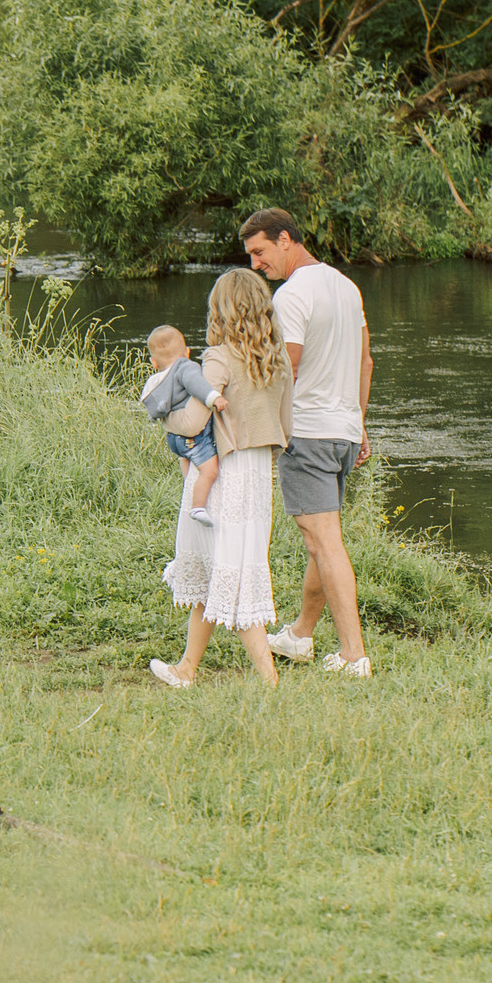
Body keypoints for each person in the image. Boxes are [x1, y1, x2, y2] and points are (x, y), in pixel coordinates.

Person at [239, 207, 373, 678]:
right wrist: (359, 423)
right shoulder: (345, 286)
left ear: (285, 239)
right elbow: (366, 362)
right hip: (341, 433)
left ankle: (354, 656)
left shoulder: (293, 295)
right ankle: (300, 635)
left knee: (324, 543)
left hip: (310, 434)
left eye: (259, 252)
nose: (257, 265)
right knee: (324, 539)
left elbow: (285, 369)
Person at [152, 269, 290, 688]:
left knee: (230, 570)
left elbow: (194, 420)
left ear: (221, 309)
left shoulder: (218, 356)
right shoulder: (275, 357)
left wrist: (163, 417)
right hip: (257, 473)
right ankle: (187, 669)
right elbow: (285, 421)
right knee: (226, 568)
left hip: (222, 474)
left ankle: (269, 679)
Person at [139, 324, 226, 526]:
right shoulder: (185, 367)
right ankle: (198, 506)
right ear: (187, 352)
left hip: (174, 440)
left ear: (153, 362)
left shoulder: (155, 381)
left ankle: (189, 492)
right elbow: (197, 384)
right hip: (193, 439)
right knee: (210, 470)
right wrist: (214, 398)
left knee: (189, 464)